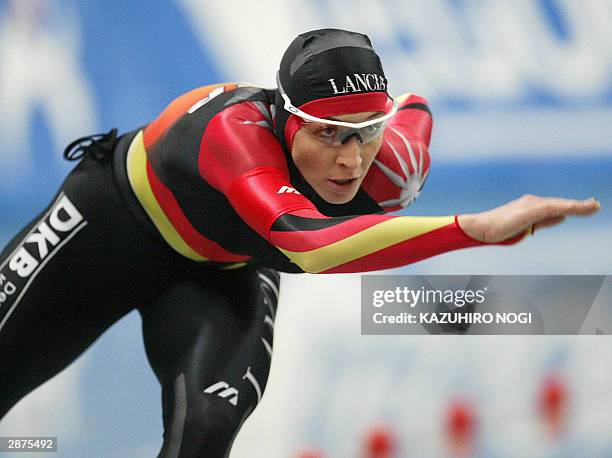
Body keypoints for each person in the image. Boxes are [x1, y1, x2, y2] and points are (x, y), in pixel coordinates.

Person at [0, 28, 600, 457]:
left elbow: (418, 109)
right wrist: (472, 229)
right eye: (328, 135)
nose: (349, 159)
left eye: (365, 134)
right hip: (110, 227)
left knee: (207, 427)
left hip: (226, 267)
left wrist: (395, 126)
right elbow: (309, 246)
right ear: (285, 122)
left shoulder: (394, 163)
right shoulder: (234, 134)